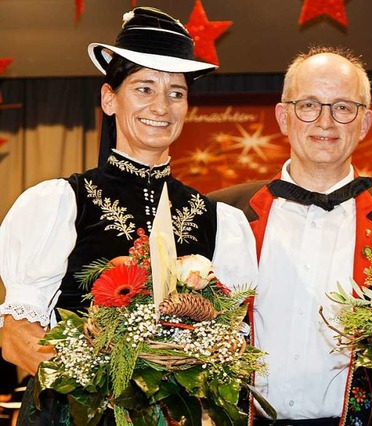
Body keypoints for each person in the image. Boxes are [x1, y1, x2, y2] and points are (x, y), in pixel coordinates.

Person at [0, 7, 257, 424]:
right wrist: (109, 387)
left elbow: (232, 346)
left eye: (176, 92)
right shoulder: (60, 202)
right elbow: (16, 339)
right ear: (109, 98)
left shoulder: (221, 221)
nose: (162, 105)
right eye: (144, 88)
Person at [210, 46, 372, 425]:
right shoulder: (223, 215)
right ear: (284, 117)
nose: (325, 122)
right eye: (309, 104)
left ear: (364, 123)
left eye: (343, 107)